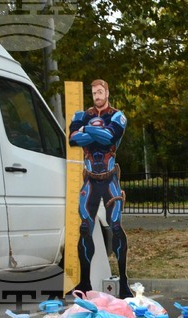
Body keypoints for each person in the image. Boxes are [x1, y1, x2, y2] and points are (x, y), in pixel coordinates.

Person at [69, 79, 130, 297]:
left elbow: (109, 137)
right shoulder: (82, 115)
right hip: (90, 181)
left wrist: (87, 131)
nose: (97, 95)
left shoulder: (117, 115)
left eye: (101, 91)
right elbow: (73, 140)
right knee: (85, 228)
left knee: (115, 227)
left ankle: (123, 283)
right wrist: (91, 130)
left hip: (110, 180)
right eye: (94, 92)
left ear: (107, 92)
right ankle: (84, 282)